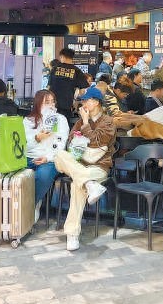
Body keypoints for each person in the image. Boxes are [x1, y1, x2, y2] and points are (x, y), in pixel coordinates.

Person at [54, 87, 116, 251]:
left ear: (96, 102)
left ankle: (72, 234)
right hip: (79, 164)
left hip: (99, 166)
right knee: (59, 155)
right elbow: (70, 141)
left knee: (77, 184)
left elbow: (98, 142)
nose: (83, 104)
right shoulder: (80, 121)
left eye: (86, 100)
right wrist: (80, 130)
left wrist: (86, 123)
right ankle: (89, 184)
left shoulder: (108, 121)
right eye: (83, 101)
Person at [24, 89, 70, 221]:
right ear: (38, 104)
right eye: (46, 102)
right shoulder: (28, 121)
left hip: (50, 159)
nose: (51, 105)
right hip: (29, 157)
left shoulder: (60, 119)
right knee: (14, 175)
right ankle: (19, 205)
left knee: (43, 175)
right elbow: (24, 145)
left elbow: (61, 144)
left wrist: (47, 158)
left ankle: (30, 206)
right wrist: (37, 138)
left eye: (52, 102)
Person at [48, 48, 90, 119]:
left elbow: (49, 87)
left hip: (53, 104)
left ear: (62, 56)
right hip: (67, 104)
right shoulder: (77, 71)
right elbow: (83, 91)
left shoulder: (55, 69)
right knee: (65, 123)